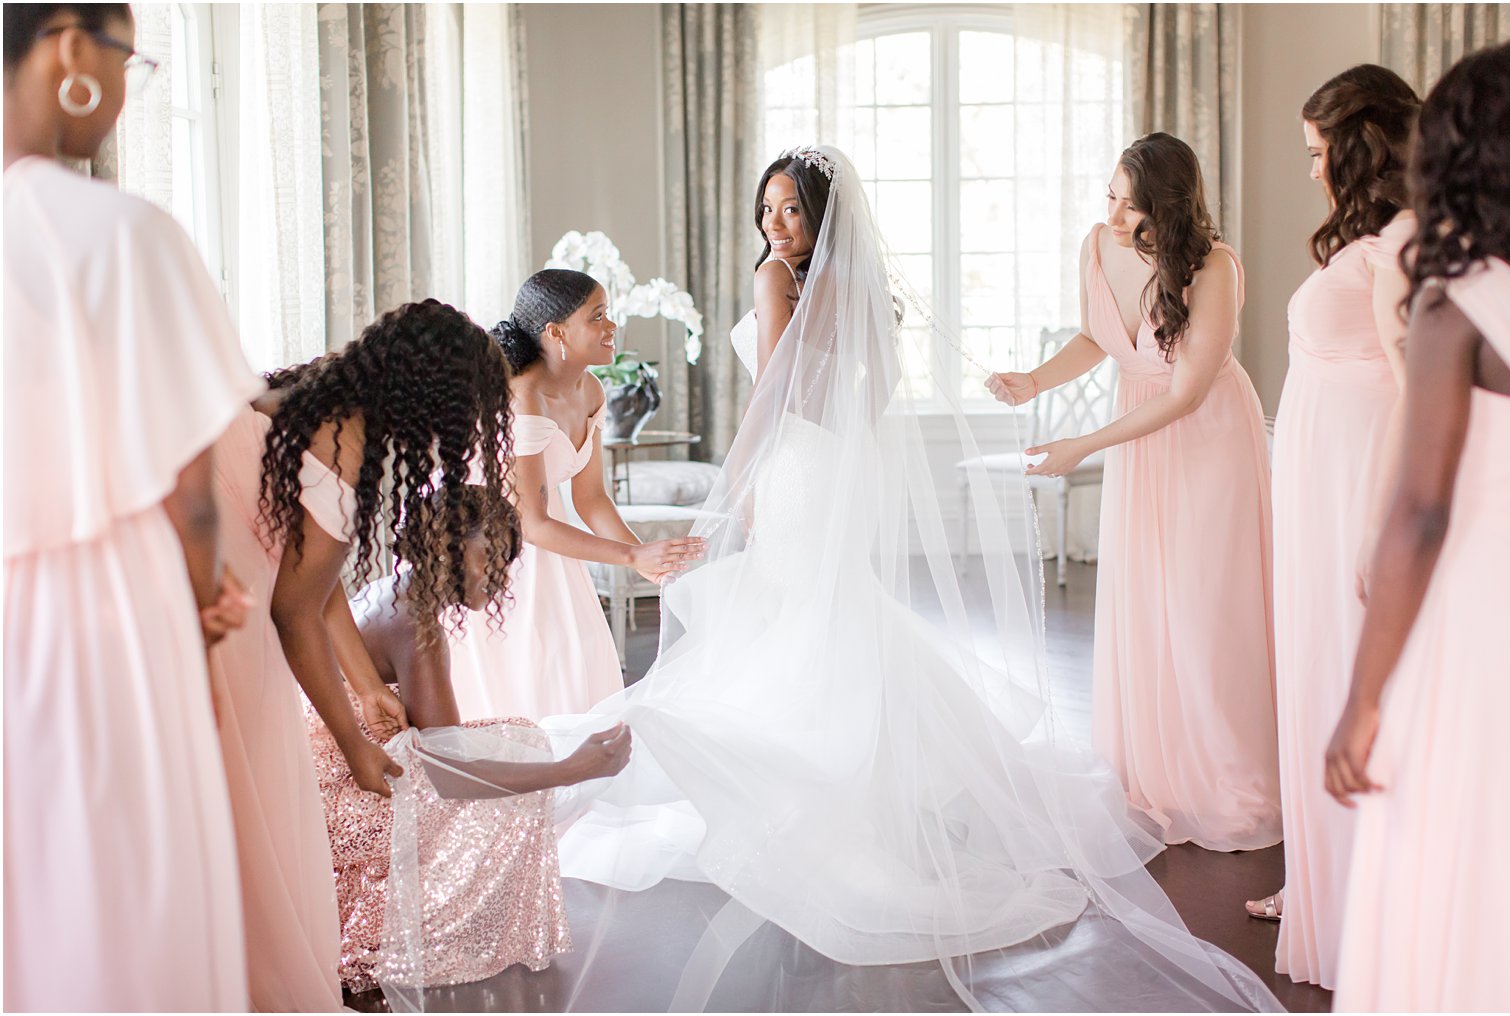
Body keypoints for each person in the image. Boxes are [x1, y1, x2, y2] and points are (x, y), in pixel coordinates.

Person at [382, 146, 1285, 1013]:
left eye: (790, 209)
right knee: (821, 611)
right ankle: (859, 758)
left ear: (819, 217)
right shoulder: (855, 285)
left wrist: (738, 483)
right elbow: (872, 389)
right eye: (767, 208)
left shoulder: (777, 281)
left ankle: (801, 763)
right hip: (831, 462)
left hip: (789, 464)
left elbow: (771, 392)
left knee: (795, 614)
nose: (775, 224)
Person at [3, 4, 261, 1008]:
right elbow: (192, 494)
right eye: (128, 58)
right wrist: (204, 601)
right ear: (68, 46)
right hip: (109, 611)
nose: (121, 88)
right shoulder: (123, 232)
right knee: (126, 897)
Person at [208, 299, 517, 1010]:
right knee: (247, 816)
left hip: (181, 595)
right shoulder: (345, 447)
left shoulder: (308, 391)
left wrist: (358, 680)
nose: (467, 430)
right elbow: (295, 609)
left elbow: (312, 577)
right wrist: (353, 743)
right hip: (230, 635)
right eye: (470, 411)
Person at [988, 133, 1280, 852]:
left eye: (1132, 206)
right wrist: (1034, 379)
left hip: (1205, 439)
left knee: (1205, 606)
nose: (1116, 217)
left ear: (1169, 207)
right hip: (1140, 440)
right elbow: (1101, 337)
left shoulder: (1215, 268)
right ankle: (1156, 769)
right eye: (1111, 198)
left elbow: (1184, 394)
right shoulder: (1099, 244)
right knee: (1147, 598)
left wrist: (1083, 446)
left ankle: (1229, 772)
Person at [1325, 41, 1510, 1012]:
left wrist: (1360, 698)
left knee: (1455, 830)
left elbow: (1420, 511)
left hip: (1483, 617)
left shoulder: (1458, 305)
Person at [1240, 68, 1419, 991]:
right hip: (1315, 490)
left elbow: (1419, 388)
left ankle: (1361, 898)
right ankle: (1320, 878)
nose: (1310, 171)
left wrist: (1376, 526)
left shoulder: (1402, 245)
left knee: (1346, 681)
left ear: (1359, 149)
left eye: (1317, 153)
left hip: (1356, 497)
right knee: (1310, 676)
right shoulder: (1364, 239)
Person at [310, 485, 632, 995]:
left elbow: (442, 750)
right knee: (516, 789)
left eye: (509, 562)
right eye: (493, 557)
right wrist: (573, 769)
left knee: (520, 740)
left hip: (328, 766)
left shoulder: (391, 591)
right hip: (342, 793)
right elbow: (450, 775)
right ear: (446, 548)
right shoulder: (417, 627)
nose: (501, 576)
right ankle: (418, 928)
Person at [448, 269, 704, 722]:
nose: (612, 326)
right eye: (598, 316)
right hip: (489, 553)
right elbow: (530, 523)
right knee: (538, 674)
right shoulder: (521, 398)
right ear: (556, 332)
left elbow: (591, 500)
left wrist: (646, 556)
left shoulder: (590, 388)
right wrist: (629, 558)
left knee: (579, 663)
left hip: (549, 539)